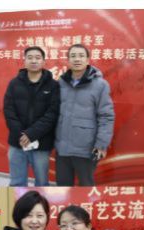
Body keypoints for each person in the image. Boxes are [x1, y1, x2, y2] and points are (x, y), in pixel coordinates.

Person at [52, 43, 113, 185]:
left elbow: (106, 116)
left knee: (86, 187)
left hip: (86, 148)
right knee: (62, 186)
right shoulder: (61, 83)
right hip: (62, 148)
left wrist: (101, 144)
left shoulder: (100, 85)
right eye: (73, 56)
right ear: (68, 60)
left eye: (81, 56)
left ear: (87, 60)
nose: (77, 59)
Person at [3, 44, 60, 185]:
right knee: (16, 182)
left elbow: (52, 114)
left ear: (44, 61)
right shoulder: (14, 83)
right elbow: (9, 110)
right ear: (24, 61)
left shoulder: (53, 85)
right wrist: (20, 134)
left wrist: (31, 134)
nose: (34, 61)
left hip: (42, 142)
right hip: (17, 141)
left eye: (37, 58)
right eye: (30, 57)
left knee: (42, 182)